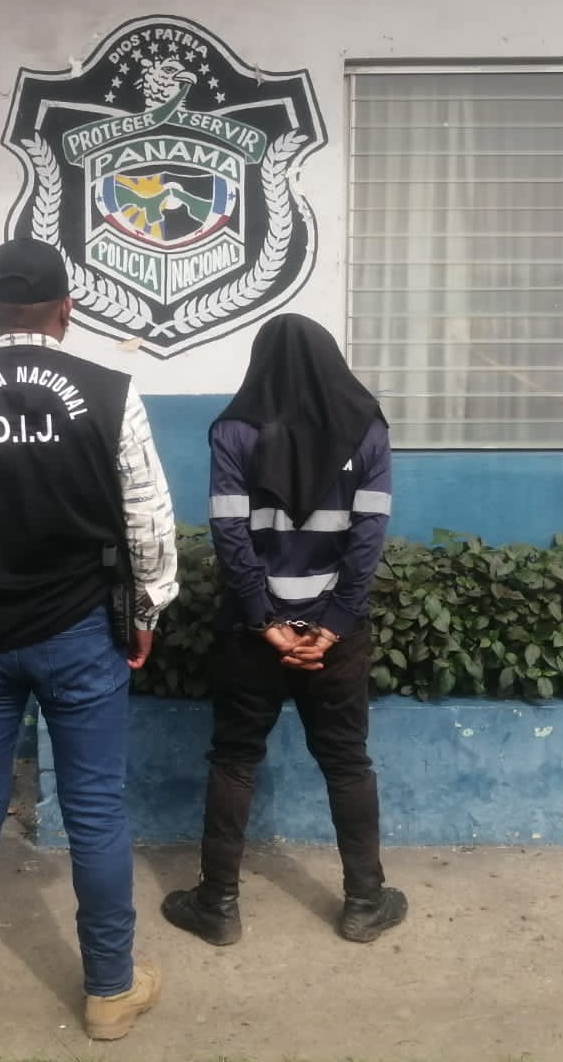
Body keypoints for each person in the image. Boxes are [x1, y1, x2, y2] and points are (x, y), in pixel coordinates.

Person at [0, 238, 179, 1041]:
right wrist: (146, 611)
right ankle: (110, 993)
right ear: (66, 311)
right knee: (95, 811)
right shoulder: (112, 393)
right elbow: (150, 523)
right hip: (81, 635)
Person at [161, 313, 406, 947]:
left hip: (253, 631)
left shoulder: (234, 430)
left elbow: (228, 532)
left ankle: (217, 905)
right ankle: (365, 902)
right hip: (334, 635)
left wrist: (265, 618)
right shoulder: (368, 429)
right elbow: (368, 538)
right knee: (346, 760)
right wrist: (334, 623)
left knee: (235, 758)